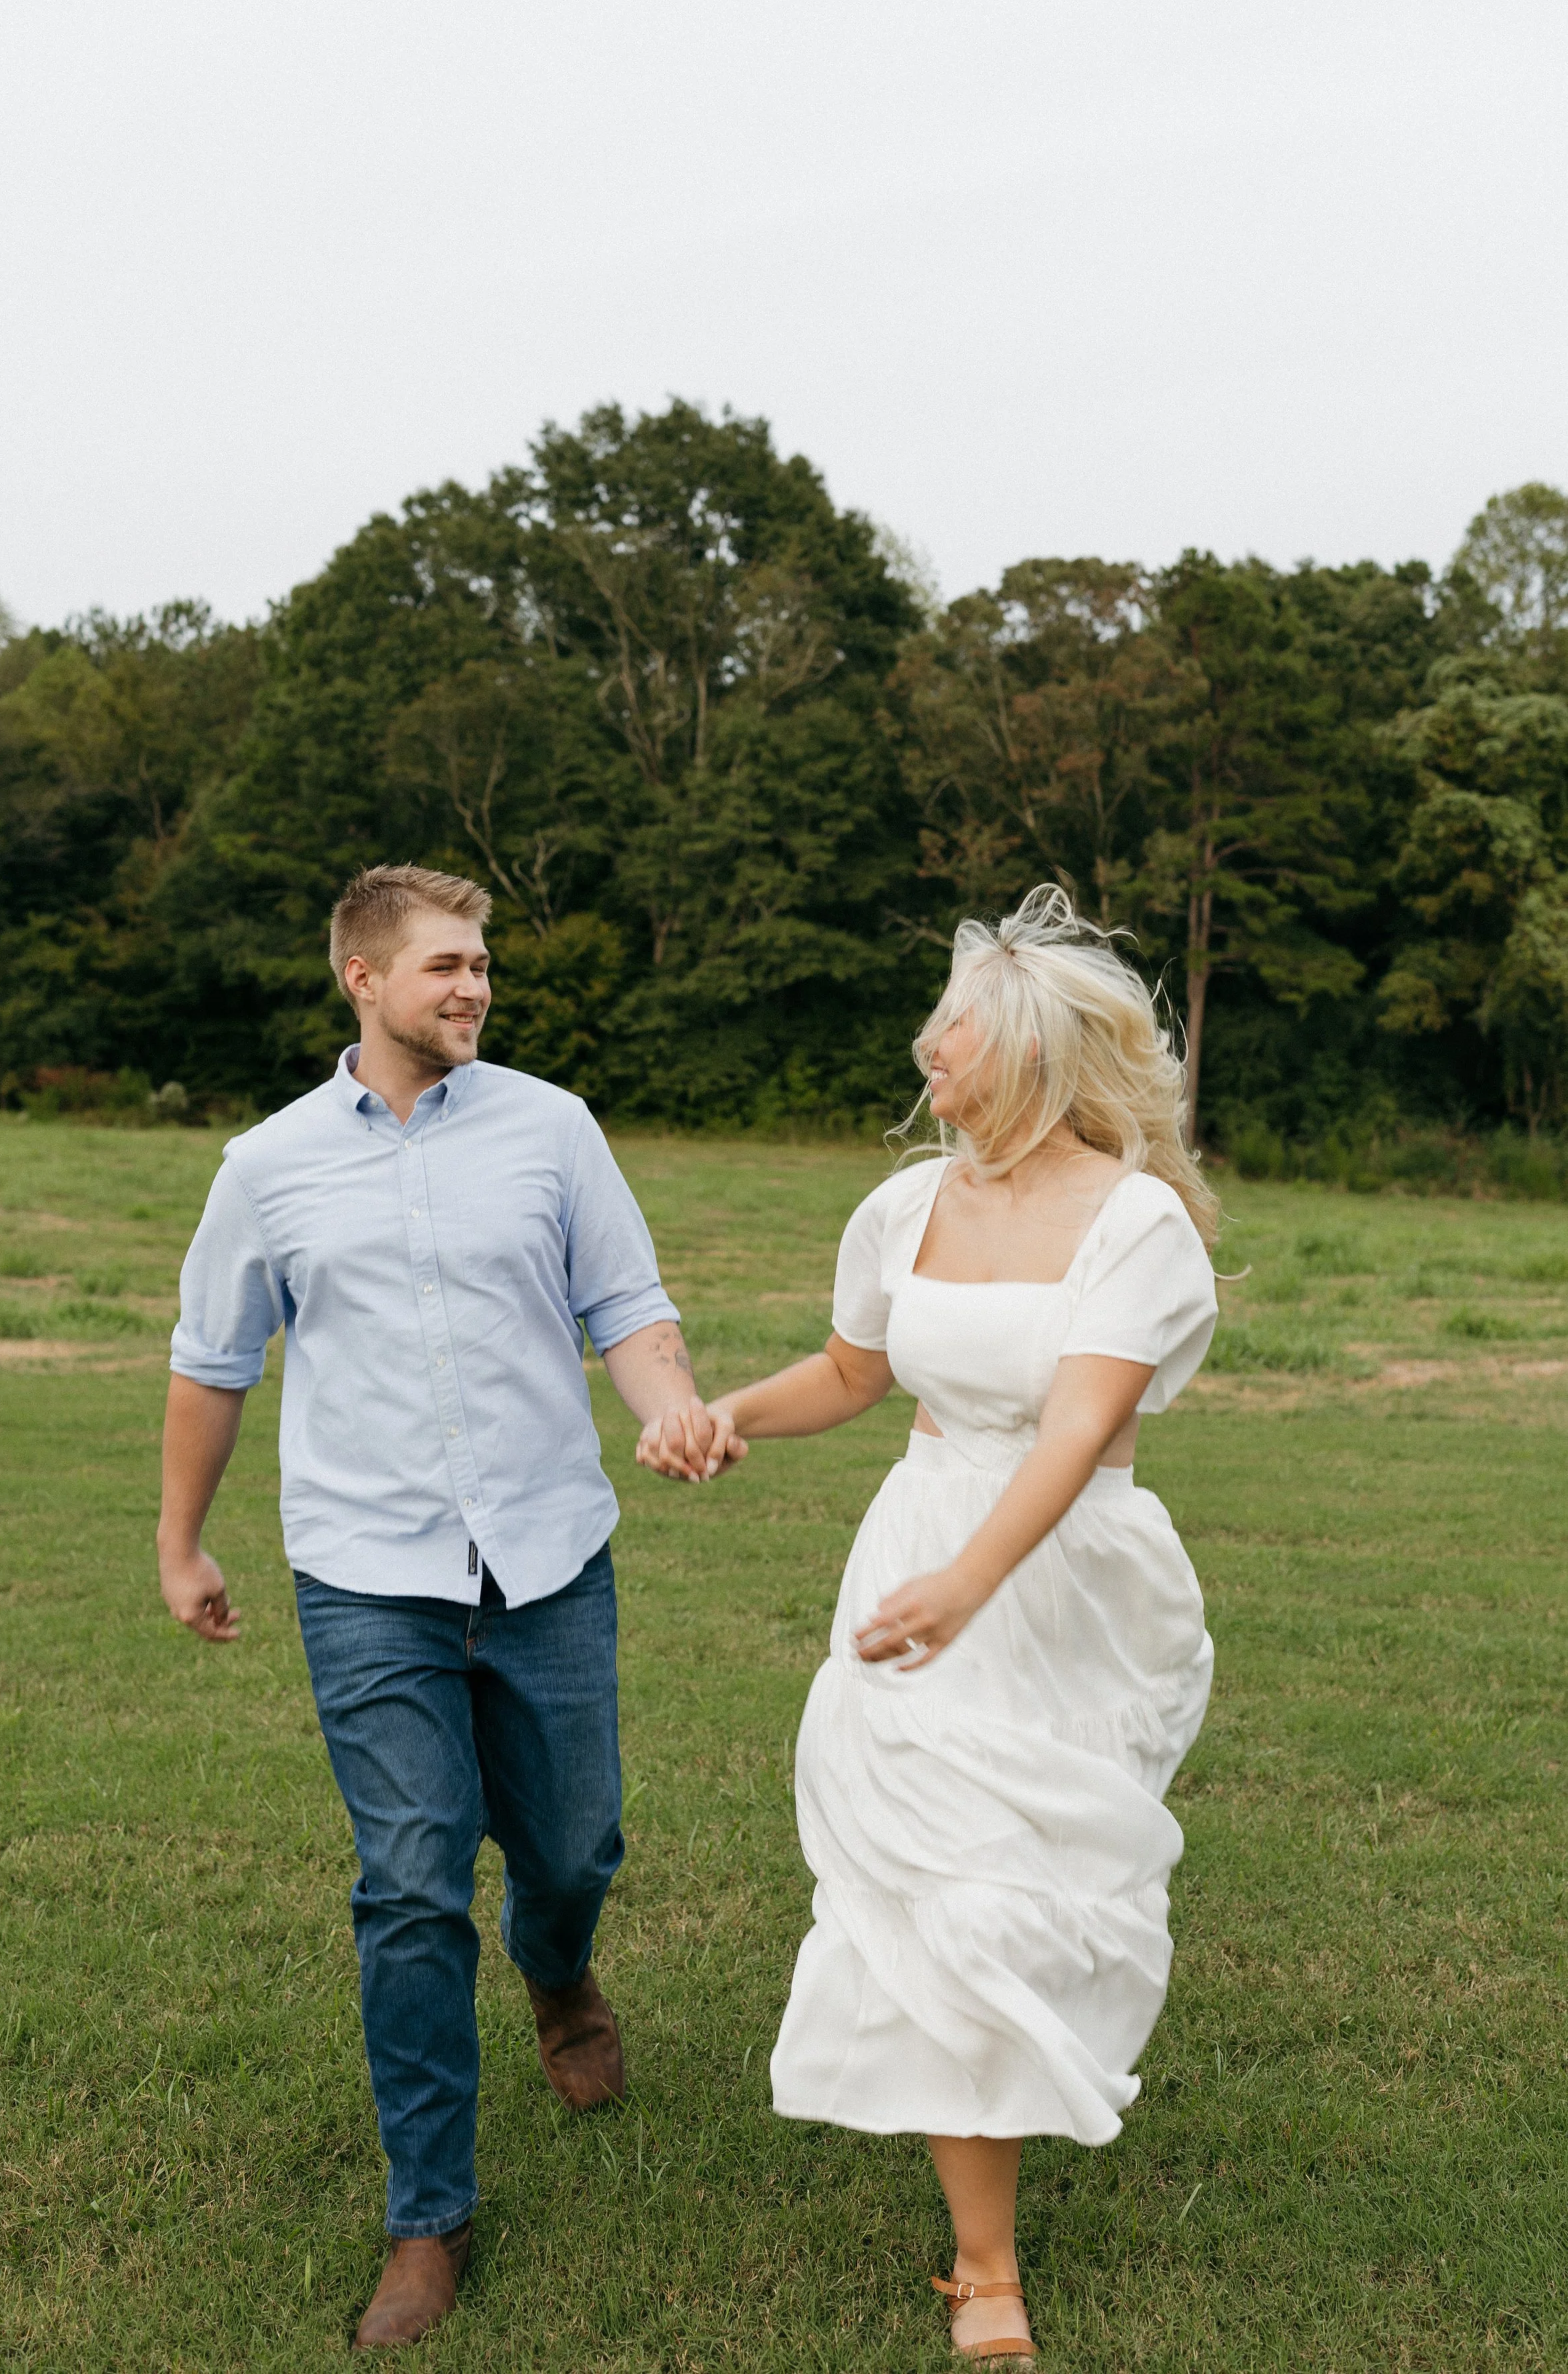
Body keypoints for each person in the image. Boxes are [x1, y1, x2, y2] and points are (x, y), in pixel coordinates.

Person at [157, 863, 725, 2352]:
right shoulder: (267, 1164)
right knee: (410, 1882)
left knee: (574, 1844)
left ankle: (559, 1969)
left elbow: (627, 1306)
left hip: (546, 1559)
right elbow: (213, 1360)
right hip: (367, 1576)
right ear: (363, 978)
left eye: (480, 964)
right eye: (445, 966)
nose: (473, 986)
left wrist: (667, 1407)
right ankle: (429, 2218)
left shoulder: (552, 1127)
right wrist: (180, 1540)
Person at [659, 888, 1218, 2363]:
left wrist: (973, 1583)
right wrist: (727, 1415)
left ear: (1026, 1052)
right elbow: (853, 1373)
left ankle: (1029, 2084)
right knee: (948, 1892)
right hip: (914, 1556)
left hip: (1064, 1586)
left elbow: (1074, 1429)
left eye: (951, 1035)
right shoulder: (906, 1207)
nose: (928, 1057)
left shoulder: (1137, 1222)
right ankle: (984, 2265)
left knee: (1027, 1893)